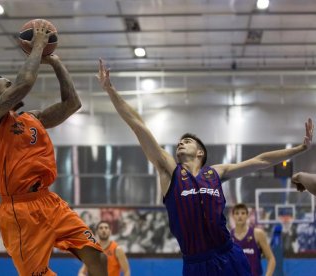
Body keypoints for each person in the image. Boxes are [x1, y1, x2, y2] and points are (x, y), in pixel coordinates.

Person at [96, 59, 313, 275]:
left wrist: (299, 148)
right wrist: (110, 90)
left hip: (228, 256)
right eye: (180, 141)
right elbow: (138, 125)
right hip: (196, 263)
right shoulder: (170, 172)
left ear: (200, 152)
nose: (181, 142)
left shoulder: (216, 172)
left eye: (187, 141)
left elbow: (261, 161)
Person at [0, 20, 107, 276]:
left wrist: (56, 61)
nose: (11, 87)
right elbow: (24, 83)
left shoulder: (32, 119)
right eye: (6, 85)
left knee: (98, 259)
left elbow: (72, 104)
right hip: (19, 210)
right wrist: (38, 46)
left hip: (48, 201)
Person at [231, 204, 276, 276]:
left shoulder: (257, 234)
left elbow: (271, 258)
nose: (240, 216)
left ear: (247, 215)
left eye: (243, 213)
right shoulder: (228, 237)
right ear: (233, 216)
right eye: (237, 213)